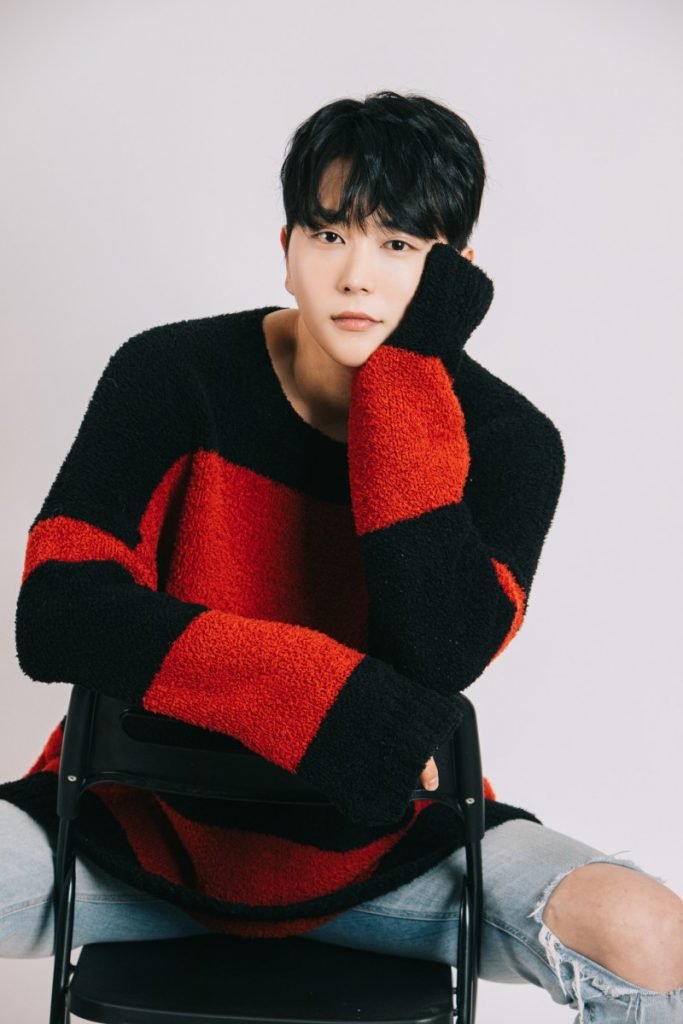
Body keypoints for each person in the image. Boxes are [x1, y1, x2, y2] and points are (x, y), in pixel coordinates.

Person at [1, 90, 681, 1023]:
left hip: (391, 860)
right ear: (286, 248)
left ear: (453, 276)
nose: (356, 277)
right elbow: (57, 610)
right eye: (329, 236)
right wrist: (323, 700)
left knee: (652, 937)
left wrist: (403, 383)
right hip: (135, 831)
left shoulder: (512, 444)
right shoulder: (171, 373)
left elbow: (443, 648)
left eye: (397, 245)